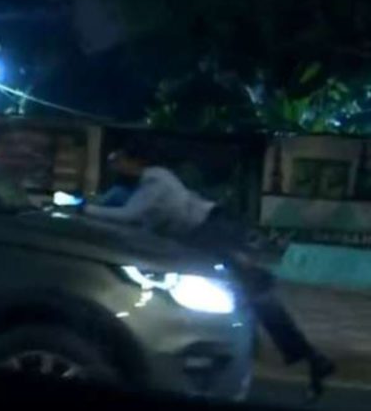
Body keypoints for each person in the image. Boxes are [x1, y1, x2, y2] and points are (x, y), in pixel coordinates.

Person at [83, 145, 336, 399]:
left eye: (116, 160)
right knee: (243, 297)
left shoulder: (155, 180)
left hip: (211, 232)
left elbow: (130, 216)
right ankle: (301, 358)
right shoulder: (145, 184)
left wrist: (85, 209)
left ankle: (306, 357)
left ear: (132, 160)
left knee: (251, 294)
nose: (112, 166)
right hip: (206, 234)